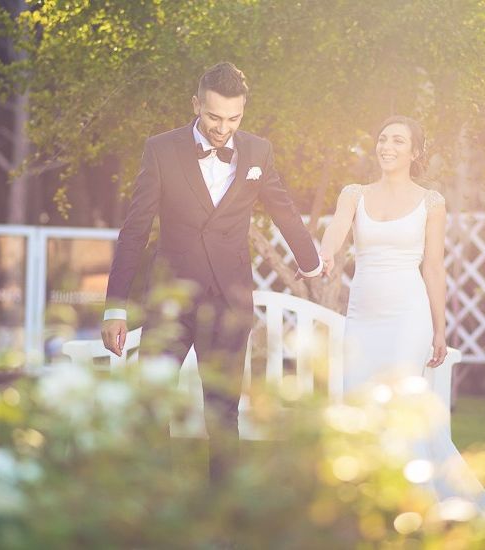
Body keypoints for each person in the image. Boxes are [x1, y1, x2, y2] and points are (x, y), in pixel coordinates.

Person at [100, 62, 323, 485]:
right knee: (152, 404)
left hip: (229, 300)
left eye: (234, 119)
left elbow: (283, 209)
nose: (223, 128)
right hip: (170, 301)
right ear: (196, 105)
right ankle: (153, 505)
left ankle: (222, 521)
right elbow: (135, 229)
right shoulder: (161, 150)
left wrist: (310, 261)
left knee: (222, 412)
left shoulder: (258, 151)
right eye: (214, 117)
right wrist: (115, 307)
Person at [318, 115, 485, 519]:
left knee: (400, 406)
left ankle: (412, 508)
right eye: (383, 138)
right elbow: (336, 230)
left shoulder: (431, 201)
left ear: (415, 152)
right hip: (363, 316)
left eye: (398, 141)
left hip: (408, 315)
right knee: (361, 406)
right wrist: (328, 252)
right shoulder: (354, 193)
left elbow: (433, 268)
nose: (387, 146)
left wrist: (440, 329)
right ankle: (367, 506)